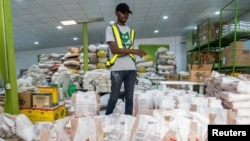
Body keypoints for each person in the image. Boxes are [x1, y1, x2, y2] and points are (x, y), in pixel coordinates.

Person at [105, 3, 145, 115]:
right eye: (123, 13)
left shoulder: (131, 31)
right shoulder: (110, 29)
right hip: (117, 69)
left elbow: (129, 48)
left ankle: (128, 122)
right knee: (113, 97)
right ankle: (105, 120)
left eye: (127, 14)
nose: (125, 16)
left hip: (131, 69)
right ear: (116, 13)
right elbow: (114, 49)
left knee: (129, 99)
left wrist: (135, 54)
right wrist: (134, 51)